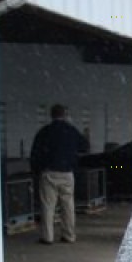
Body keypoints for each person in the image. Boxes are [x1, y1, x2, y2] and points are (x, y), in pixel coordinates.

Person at [30, 104, 89, 244]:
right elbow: (85, 147)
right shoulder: (71, 130)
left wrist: (36, 171)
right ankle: (69, 235)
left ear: (51, 115)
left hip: (49, 172)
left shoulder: (44, 131)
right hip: (67, 173)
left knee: (48, 206)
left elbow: (35, 154)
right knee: (68, 205)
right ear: (65, 114)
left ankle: (47, 237)